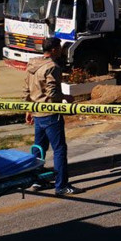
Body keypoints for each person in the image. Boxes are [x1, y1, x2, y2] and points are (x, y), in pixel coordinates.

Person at [23, 37, 83, 195]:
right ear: (55, 49)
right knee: (59, 149)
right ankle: (61, 185)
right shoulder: (52, 67)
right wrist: (65, 97)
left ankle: (36, 180)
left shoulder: (32, 64)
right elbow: (52, 93)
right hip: (50, 113)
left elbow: (27, 88)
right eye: (60, 48)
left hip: (36, 111)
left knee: (39, 148)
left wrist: (28, 109)